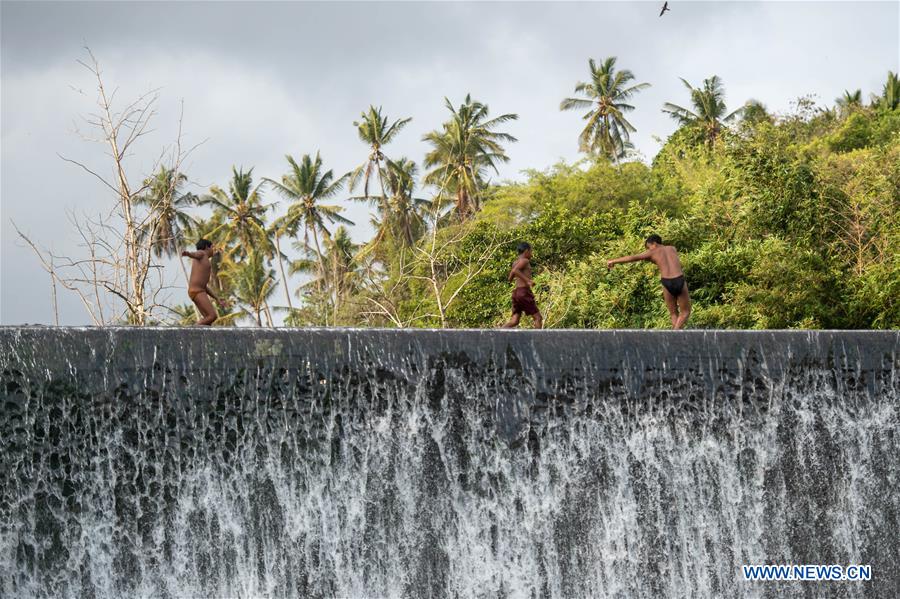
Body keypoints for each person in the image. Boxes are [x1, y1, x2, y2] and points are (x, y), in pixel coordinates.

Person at [606, 234, 691, 329]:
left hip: (666, 281)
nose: (648, 250)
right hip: (678, 278)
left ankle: (674, 334)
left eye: (648, 247)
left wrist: (613, 261)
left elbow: (633, 257)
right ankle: (676, 334)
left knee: (673, 313)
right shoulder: (672, 248)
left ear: (654, 243)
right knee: (685, 312)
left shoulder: (652, 252)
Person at [181, 239, 225, 326]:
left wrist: (217, 298)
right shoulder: (202, 253)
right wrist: (188, 254)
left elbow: (204, 286)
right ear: (206, 247)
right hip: (198, 291)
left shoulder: (203, 260)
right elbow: (196, 254)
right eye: (212, 247)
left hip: (198, 291)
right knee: (212, 316)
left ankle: (198, 335)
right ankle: (191, 331)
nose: (214, 250)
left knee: (207, 320)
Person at [503, 242, 543, 329]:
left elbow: (511, 275)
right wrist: (528, 281)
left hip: (516, 293)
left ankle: (496, 332)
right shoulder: (525, 260)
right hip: (523, 292)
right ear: (526, 251)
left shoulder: (515, 262)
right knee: (538, 318)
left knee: (514, 321)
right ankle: (537, 341)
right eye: (531, 251)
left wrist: (511, 279)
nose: (531, 254)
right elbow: (516, 270)